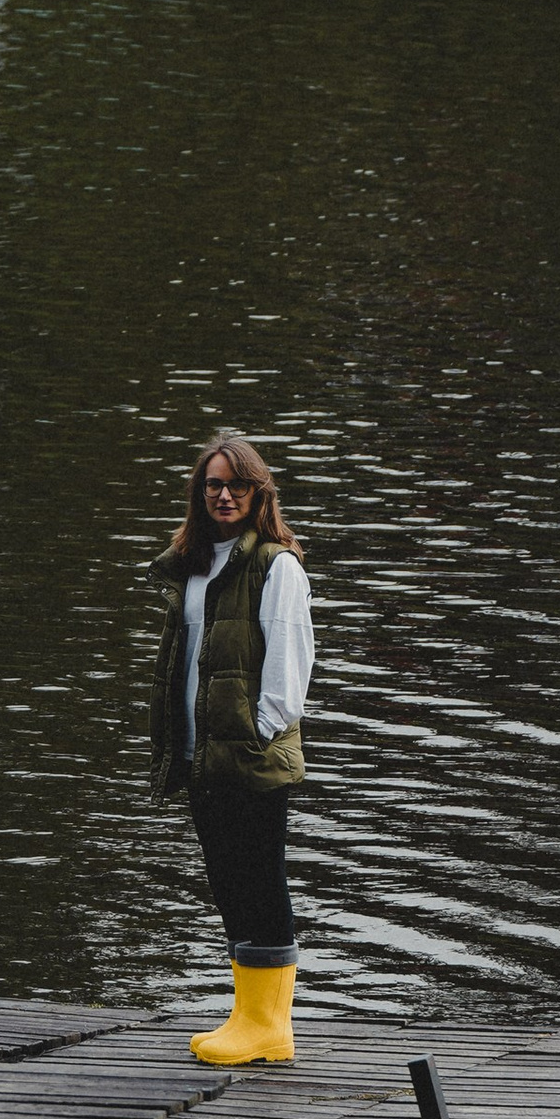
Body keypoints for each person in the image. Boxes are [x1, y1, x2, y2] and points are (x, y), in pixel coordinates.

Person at [148, 432, 314, 1065]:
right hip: (202, 756)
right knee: (228, 883)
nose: (224, 495)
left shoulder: (277, 565)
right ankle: (247, 1017)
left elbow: (289, 674)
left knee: (260, 882)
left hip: (249, 755)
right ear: (200, 493)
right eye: (213, 484)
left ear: (258, 492)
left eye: (236, 485)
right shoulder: (194, 564)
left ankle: (270, 1026)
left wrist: (255, 733)